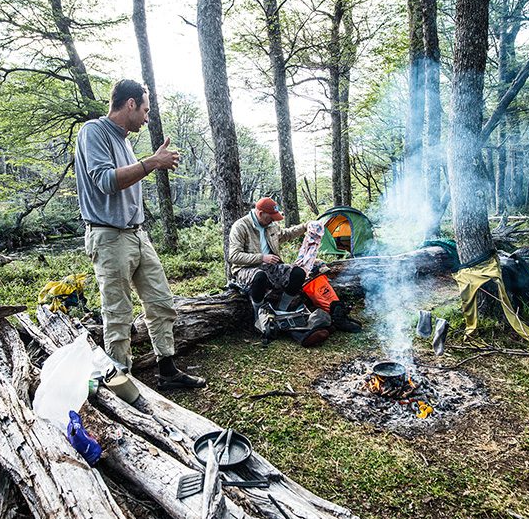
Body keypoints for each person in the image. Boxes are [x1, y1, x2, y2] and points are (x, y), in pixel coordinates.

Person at [75, 79, 205, 390]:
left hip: (137, 234)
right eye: (145, 109)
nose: (147, 118)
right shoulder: (94, 131)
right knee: (118, 313)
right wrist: (152, 162)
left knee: (160, 300)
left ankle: (167, 370)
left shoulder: (124, 141)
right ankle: (123, 383)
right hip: (108, 236)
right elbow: (106, 181)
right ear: (130, 104)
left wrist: (149, 162)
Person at [228, 198, 362, 334]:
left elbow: (286, 234)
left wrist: (305, 226)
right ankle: (258, 315)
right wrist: (262, 257)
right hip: (245, 268)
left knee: (299, 273)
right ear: (260, 213)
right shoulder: (241, 226)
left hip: (270, 266)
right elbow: (233, 256)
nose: (273, 220)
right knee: (259, 277)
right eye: (271, 217)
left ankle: (282, 309)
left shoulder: (270, 226)